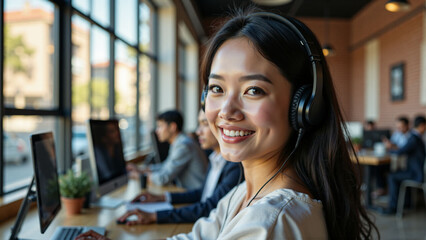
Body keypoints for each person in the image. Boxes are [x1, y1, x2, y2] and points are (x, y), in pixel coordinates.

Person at [76, 7, 378, 240]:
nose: (226, 111)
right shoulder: (247, 192)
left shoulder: (271, 222)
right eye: (217, 89)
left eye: (254, 90)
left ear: (304, 107)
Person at [116, 110, 242, 224]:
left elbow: (209, 207)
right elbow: (202, 193)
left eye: (204, 124)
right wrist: (161, 197)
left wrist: (155, 216)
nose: (198, 132)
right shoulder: (215, 158)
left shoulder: (234, 166)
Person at [136, 110, 208, 190]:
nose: (157, 131)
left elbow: (163, 179)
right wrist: (142, 170)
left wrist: (139, 176)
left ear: (173, 127)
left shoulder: (183, 145)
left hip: (195, 196)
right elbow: (166, 166)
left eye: (160, 126)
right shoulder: (178, 142)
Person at [381, 115, 426, 214]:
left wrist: (389, 149)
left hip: (417, 174)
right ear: (422, 126)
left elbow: (400, 152)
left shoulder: (414, 138)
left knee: (392, 176)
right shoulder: (417, 138)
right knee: (399, 172)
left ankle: (393, 208)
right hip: (417, 171)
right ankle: (407, 203)